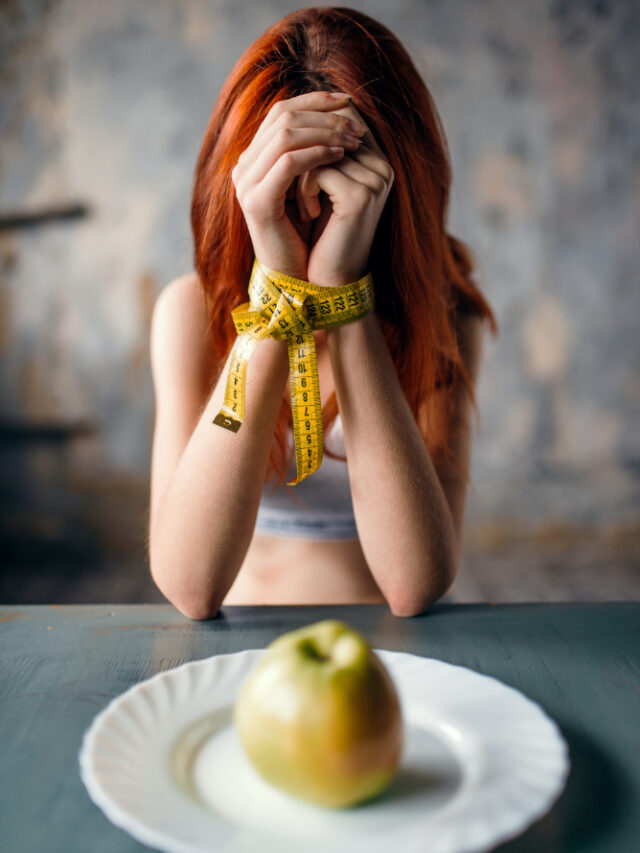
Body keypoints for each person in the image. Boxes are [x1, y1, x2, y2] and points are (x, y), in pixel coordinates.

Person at [147, 7, 498, 620]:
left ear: (396, 191)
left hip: (392, 650)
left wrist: (342, 296)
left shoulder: (444, 319)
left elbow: (414, 585)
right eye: (285, 195)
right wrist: (280, 293)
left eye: (341, 193)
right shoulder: (190, 314)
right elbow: (190, 586)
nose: (310, 216)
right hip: (234, 646)